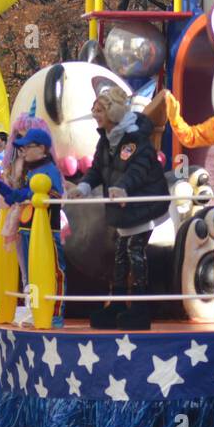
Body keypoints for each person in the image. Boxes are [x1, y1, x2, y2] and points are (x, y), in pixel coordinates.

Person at [71, 88, 170, 330]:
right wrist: (83, 187)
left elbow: (137, 170)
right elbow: (98, 168)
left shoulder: (135, 140)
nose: (95, 114)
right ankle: (117, 302)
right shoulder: (107, 140)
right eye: (95, 109)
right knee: (120, 253)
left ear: (114, 112)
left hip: (144, 204)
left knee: (135, 251)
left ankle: (139, 307)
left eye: (100, 109)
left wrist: (123, 189)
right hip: (124, 207)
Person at [0, 128, 67, 328]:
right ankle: (36, 310)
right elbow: (24, 195)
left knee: (54, 272)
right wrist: (6, 191)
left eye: (27, 147)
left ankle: (54, 314)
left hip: (47, 231)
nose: (23, 152)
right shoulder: (32, 169)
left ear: (42, 148)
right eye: (22, 148)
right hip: (28, 228)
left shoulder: (49, 169)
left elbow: (52, 195)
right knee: (31, 273)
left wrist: (19, 194)